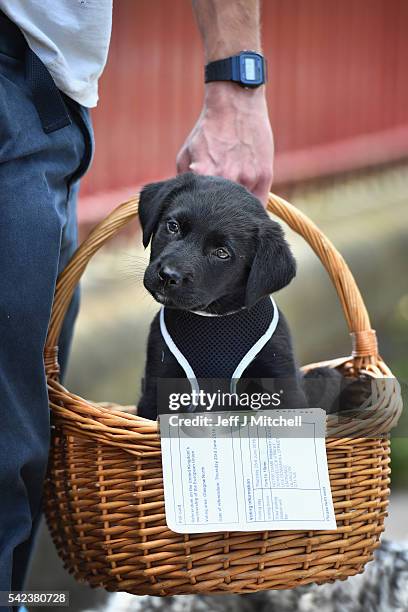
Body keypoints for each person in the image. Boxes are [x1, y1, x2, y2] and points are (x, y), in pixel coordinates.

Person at [0, 0, 274, 598]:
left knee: (13, 454)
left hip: (31, 78)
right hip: (25, 84)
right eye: (172, 229)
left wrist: (238, 81)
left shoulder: (258, 324)